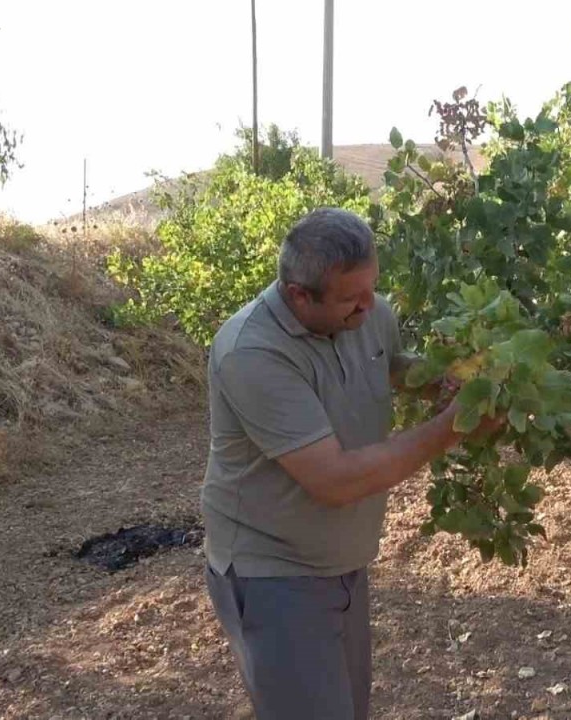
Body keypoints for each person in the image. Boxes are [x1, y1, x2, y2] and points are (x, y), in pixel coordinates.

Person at [201, 207, 496, 719]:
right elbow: (334, 480)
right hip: (273, 571)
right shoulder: (251, 353)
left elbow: (389, 366)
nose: (368, 306)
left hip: (342, 562)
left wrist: (439, 382)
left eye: (372, 288)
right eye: (350, 299)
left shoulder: (368, 312)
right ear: (298, 294)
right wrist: (455, 424)